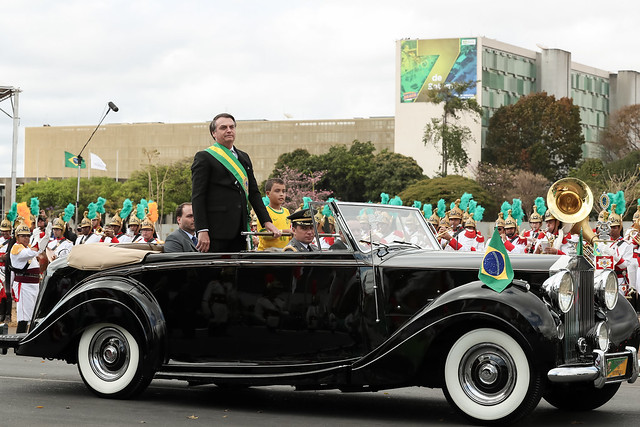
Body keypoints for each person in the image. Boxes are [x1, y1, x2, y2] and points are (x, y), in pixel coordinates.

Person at [191, 113, 280, 253]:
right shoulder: (204, 157)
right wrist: (202, 229)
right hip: (216, 230)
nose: (229, 130)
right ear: (214, 133)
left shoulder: (244, 157)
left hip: (240, 228)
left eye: (232, 127)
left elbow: (254, 193)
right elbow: (198, 196)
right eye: (223, 127)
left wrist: (267, 222)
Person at [10, 219, 50, 333]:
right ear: (17, 237)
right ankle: (19, 339)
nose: (26, 238)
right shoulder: (16, 248)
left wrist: (46, 237)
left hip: (33, 284)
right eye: (23, 236)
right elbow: (33, 252)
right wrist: (37, 238)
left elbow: (39, 250)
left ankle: (28, 339)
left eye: (28, 236)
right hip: (24, 285)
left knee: (33, 314)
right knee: (24, 316)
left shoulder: (27, 247)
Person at [257, 178, 291, 251]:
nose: (281, 194)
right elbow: (264, 235)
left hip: (284, 252)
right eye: (277, 191)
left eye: (283, 191)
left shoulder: (286, 212)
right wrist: (284, 232)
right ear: (268, 194)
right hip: (267, 253)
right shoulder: (264, 212)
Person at [0, 215, 12, 322]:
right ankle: (1, 313)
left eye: (7, 231)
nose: (5, 233)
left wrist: (5, 257)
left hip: (8, 269)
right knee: (0, 292)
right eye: (3, 231)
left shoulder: (13, 241)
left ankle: (8, 314)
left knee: (8, 292)